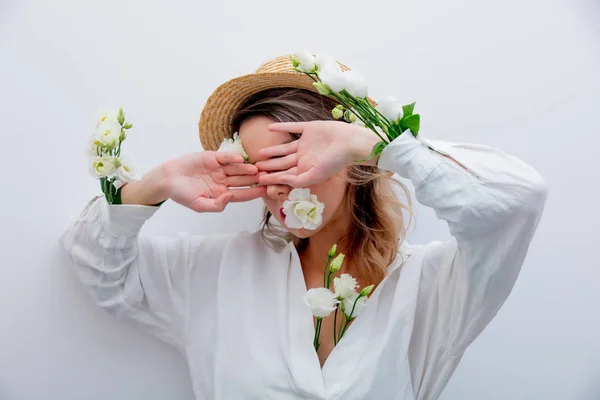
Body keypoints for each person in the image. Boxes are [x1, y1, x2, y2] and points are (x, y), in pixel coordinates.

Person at [59, 55, 548, 399]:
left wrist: (376, 144)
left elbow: (516, 198)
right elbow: (98, 269)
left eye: (289, 159)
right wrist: (156, 184)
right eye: (256, 166)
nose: (275, 185)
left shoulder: (432, 286)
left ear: (344, 159)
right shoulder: (213, 272)